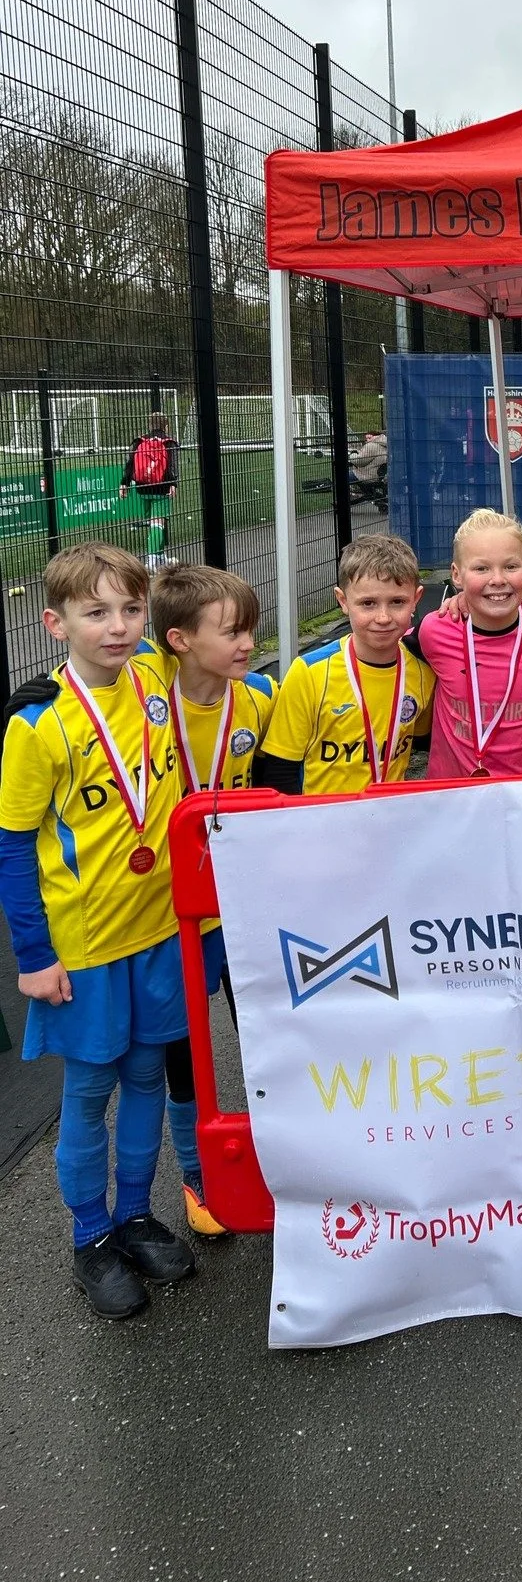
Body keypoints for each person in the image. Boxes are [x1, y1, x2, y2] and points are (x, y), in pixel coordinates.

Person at [0, 542, 195, 1318]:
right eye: (95, 612)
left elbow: (210, 630)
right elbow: (13, 843)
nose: (117, 626)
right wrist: (33, 955)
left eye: (129, 609)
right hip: (83, 947)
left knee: (147, 1075)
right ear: (55, 623)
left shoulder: (150, 674)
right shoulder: (37, 723)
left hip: (156, 931)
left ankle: (138, 1214)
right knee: (87, 1092)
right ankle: (89, 1235)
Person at [143, 565, 277, 1236]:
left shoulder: (257, 698)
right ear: (179, 639)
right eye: (232, 631)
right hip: (174, 910)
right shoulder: (145, 699)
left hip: (243, 902)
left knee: (259, 1029)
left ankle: (272, 1155)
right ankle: (196, 1174)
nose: (249, 641)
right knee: (185, 1049)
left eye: (250, 626)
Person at [255, 534, 435, 793]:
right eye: (368, 603)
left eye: (397, 602)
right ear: (342, 601)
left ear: (416, 599)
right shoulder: (309, 673)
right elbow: (279, 771)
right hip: (321, 825)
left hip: (389, 822)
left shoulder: (421, 672)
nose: (383, 617)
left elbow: (420, 739)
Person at [413, 509, 522, 779]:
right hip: (453, 795)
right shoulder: (435, 630)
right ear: (457, 575)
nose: (497, 579)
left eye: (510, 566)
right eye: (481, 568)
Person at [118, 410, 179, 573]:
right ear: (166, 425)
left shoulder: (140, 441)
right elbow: (172, 465)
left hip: (142, 487)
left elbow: (130, 463)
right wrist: (173, 483)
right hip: (162, 487)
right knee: (158, 524)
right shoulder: (169, 442)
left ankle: (160, 556)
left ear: (149, 424)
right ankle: (152, 559)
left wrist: (124, 484)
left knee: (153, 523)